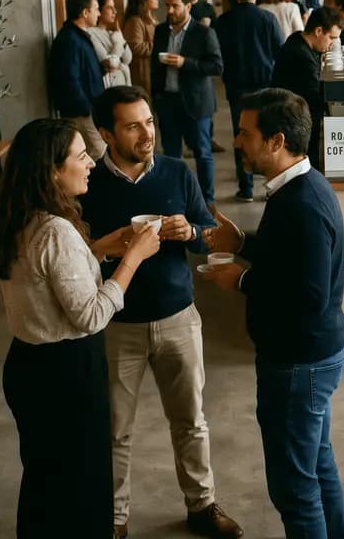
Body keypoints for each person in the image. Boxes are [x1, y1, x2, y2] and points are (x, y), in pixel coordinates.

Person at [77, 87, 240, 539]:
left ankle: (202, 505)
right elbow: (78, 256)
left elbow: (206, 230)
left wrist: (191, 230)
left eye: (148, 122)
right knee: (115, 432)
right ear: (107, 133)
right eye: (132, 126)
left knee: (191, 421)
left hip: (177, 316)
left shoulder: (175, 171)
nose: (146, 133)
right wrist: (112, 247)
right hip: (117, 324)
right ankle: (114, 517)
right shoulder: (88, 184)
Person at [0, 118, 161, 539]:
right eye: (81, 156)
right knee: (82, 493)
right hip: (65, 375)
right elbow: (90, 315)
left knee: (45, 486)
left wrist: (99, 248)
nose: (91, 163)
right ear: (52, 169)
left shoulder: (15, 218)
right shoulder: (56, 231)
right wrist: (132, 259)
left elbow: (42, 278)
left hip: (27, 365)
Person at [202, 89, 344, 539]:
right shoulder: (301, 188)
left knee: (294, 488)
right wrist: (243, 244)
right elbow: (294, 260)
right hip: (312, 358)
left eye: (246, 133)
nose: (239, 141)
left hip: (297, 363)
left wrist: (240, 281)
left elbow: (308, 295)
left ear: (276, 140)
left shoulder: (301, 204)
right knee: (317, 468)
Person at [215, 0, 286, 201]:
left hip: (236, 86)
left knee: (242, 134)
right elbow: (279, 52)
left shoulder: (223, 20)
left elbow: (218, 57)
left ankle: (245, 187)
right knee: (267, 133)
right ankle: (270, 184)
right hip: (265, 84)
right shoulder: (268, 19)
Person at [152, 0, 223, 204]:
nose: (170, 10)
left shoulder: (204, 32)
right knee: (171, 155)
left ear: (188, 6)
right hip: (168, 101)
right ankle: (176, 198)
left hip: (196, 102)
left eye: (175, 6)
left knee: (202, 154)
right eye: (167, 6)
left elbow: (216, 66)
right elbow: (154, 64)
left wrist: (186, 63)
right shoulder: (161, 30)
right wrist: (156, 96)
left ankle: (207, 201)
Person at [272, 6, 343, 171]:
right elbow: (316, 94)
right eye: (331, 38)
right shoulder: (300, 55)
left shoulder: (298, 39)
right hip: (292, 125)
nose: (332, 44)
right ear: (319, 31)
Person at [49, 0, 108, 160]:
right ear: (85, 12)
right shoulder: (69, 39)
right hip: (80, 111)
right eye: (96, 8)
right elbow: (69, 77)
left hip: (88, 107)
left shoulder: (79, 36)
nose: (99, 13)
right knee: (99, 153)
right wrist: (85, 108)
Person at [86, 0, 132, 89]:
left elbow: (128, 59)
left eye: (114, 7)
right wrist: (118, 42)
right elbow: (110, 63)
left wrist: (120, 38)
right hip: (110, 87)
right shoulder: (91, 33)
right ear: (99, 10)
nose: (115, 11)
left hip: (123, 84)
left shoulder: (112, 33)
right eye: (110, 8)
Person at [122, 0, 160, 95]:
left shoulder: (152, 18)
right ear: (143, 0)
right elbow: (135, 47)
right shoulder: (135, 21)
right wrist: (161, 45)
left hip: (153, 70)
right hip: (142, 73)